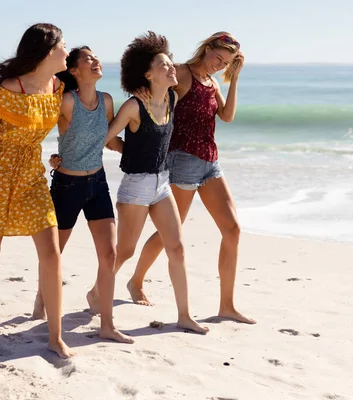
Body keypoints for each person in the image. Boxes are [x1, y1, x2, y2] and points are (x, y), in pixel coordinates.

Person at [128, 32, 256, 324]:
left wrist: (233, 78)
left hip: (210, 162)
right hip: (181, 161)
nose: (218, 66)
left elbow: (227, 116)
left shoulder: (212, 82)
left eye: (225, 63)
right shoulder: (182, 74)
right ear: (207, 47)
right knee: (169, 233)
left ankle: (227, 305)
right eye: (217, 58)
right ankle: (136, 281)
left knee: (233, 230)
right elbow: (154, 95)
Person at [0, 23, 75, 358]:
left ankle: (55, 337)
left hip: (32, 177)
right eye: (63, 46)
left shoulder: (58, 87)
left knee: (52, 253)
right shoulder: (11, 88)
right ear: (47, 52)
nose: (67, 51)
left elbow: (67, 125)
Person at [103, 31, 209, 334]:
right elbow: (106, 140)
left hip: (162, 185)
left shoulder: (173, 98)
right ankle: (97, 293)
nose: (172, 68)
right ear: (148, 74)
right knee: (124, 251)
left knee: (176, 248)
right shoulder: (134, 106)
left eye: (171, 63)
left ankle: (185, 316)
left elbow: (196, 70)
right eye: (164, 65)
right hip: (135, 186)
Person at [30, 46, 132, 343]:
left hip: (97, 183)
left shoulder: (107, 101)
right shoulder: (65, 102)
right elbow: (38, 132)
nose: (96, 60)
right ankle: (41, 298)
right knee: (54, 254)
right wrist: (52, 157)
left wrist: (140, 157)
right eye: (88, 58)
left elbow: (110, 141)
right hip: (67, 186)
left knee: (109, 254)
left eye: (95, 56)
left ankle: (107, 323)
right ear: (74, 70)